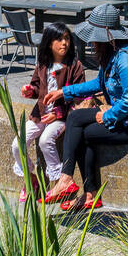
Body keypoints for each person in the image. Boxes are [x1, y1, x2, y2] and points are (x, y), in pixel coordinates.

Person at [43, 5, 128, 212]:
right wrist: (64, 92)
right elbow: (99, 83)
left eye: (95, 36)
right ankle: (70, 181)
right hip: (125, 117)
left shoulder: (126, 56)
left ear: (108, 35)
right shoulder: (111, 53)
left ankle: (87, 191)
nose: (92, 41)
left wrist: (107, 115)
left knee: (82, 132)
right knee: (76, 120)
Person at [13, 23, 87, 202]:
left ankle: (58, 184)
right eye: (59, 39)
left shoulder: (75, 66)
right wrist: (29, 90)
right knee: (17, 144)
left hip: (61, 116)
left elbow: (78, 96)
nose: (64, 43)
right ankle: (30, 178)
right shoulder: (43, 64)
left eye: (67, 39)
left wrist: (59, 113)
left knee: (46, 140)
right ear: (49, 43)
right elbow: (38, 87)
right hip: (40, 114)